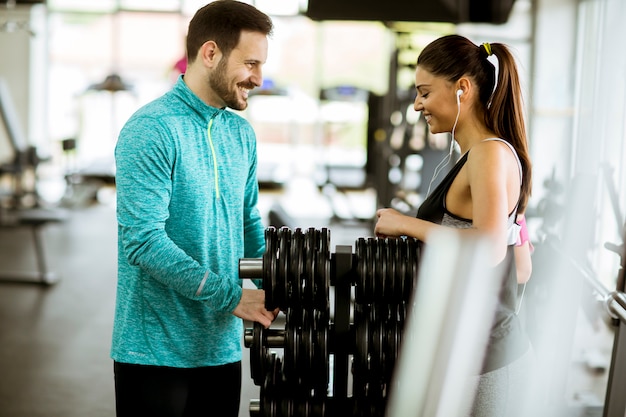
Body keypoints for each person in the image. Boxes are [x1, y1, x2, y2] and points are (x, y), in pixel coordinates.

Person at [110, 2, 276, 416]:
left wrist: (278, 282)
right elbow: (143, 242)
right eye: (250, 63)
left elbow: (248, 220)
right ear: (210, 53)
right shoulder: (152, 129)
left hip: (219, 348)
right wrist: (232, 296)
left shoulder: (240, 132)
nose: (258, 78)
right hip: (153, 353)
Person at [374, 34, 534, 416]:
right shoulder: (483, 155)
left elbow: (489, 248)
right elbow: (523, 266)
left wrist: (406, 224)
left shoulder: (489, 155)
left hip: (487, 360)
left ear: (462, 88)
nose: (417, 105)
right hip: (467, 353)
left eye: (424, 93)